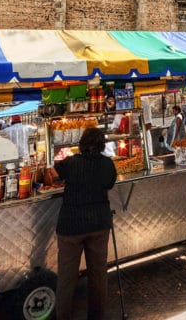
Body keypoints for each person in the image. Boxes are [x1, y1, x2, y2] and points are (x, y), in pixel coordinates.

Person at [53, 126, 116, 320]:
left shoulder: (71, 163)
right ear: (102, 145)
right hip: (99, 224)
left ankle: (63, 316)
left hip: (71, 227)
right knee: (98, 275)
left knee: (66, 278)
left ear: (82, 144)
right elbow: (109, 183)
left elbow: (55, 172)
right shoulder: (107, 164)